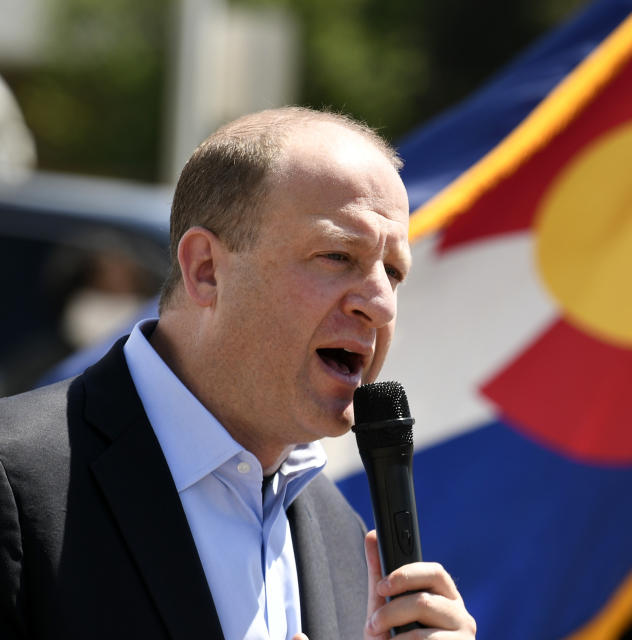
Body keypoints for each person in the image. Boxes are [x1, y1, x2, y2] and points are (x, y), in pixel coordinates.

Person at [0, 107, 477, 640]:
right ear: (206, 270)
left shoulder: (340, 534)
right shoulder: (17, 481)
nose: (382, 305)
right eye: (338, 256)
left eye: (393, 273)